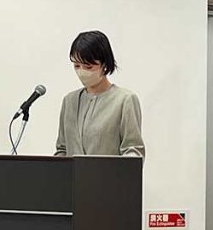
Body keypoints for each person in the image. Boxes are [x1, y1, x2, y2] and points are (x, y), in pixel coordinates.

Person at [55, 30, 145, 158]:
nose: (81, 71)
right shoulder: (69, 101)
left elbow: (133, 151)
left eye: (88, 66)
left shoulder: (124, 101)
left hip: (110, 172)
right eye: (77, 66)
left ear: (104, 64)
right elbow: (62, 149)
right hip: (72, 172)